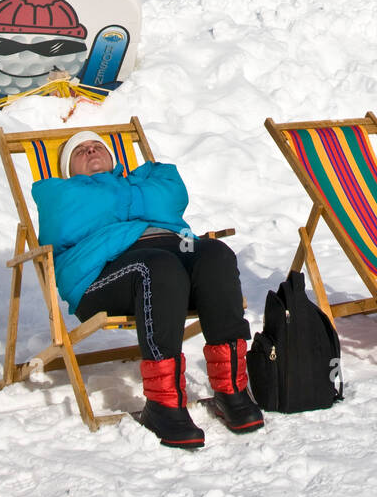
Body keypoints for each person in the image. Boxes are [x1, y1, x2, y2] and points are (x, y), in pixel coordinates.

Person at [32, 131, 263, 450]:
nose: (91, 150)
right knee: (156, 266)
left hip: (172, 253)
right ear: (68, 170)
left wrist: (117, 197)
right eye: (80, 151)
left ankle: (232, 390)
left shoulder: (128, 186)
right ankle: (164, 405)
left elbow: (172, 191)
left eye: (97, 146)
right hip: (104, 273)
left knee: (215, 254)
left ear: (114, 161)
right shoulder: (63, 194)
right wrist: (132, 197)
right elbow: (77, 216)